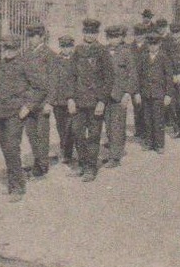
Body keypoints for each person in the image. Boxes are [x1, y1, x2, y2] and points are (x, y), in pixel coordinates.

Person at [0, 31, 37, 198]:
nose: (7, 51)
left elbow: (39, 87)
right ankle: (14, 180)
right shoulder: (1, 64)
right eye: (4, 48)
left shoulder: (26, 64)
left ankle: (17, 187)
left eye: (11, 48)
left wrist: (28, 105)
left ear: (17, 48)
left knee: (11, 148)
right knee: (6, 149)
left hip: (16, 113)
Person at [70, 19, 113, 182]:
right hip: (79, 101)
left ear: (97, 34)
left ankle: (90, 168)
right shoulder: (78, 50)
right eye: (87, 32)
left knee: (94, 136)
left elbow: (109, 78)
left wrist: (102, 101)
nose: (90, 35)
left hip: (95, 102)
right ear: (84, 33)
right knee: (77, 133)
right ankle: (82, 164)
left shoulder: (102, 51)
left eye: (93, 33)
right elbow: (71, 76)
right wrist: (70, 99)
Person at [102, 25, 137, 168]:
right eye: (110, 37)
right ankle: (113, 150)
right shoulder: (103, 51)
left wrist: (128, 93)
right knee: (108, 125)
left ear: (121, 38)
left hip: (119, 94)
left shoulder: (126, 52)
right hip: (104, 94)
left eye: (116, 37)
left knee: (117, 125)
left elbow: (132, 74)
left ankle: (115, 157)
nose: (113, 40)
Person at [23, 23, 54, 177]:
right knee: (31, 133)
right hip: (29, 100)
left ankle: (42, 165)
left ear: (42, 37)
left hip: (43, 102)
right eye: (29, 36)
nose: (31, 39)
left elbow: (54, 80)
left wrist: (50, 102)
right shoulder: (26, 53)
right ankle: (37, 159)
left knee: (42, 134)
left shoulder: (49, 54)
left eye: (34, 36)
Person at [135, 30, 172, 153]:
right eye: (150, 44)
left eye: (155, 44)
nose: (152, 46)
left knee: (158, 119)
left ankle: (159, 144)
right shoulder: (143, 57)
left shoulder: (164, 57)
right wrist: (138, 93)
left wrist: (168, 94)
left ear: (159, 44)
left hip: (159, 93)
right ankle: (149, 142)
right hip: (146, 93)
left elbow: (168, 77)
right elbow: (138, 76)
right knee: (147, 119)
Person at [49, 35, 78, 167]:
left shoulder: (77, 60)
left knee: (72, 127)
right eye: (64, 47)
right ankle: (65, 152)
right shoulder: (55, 60)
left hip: (73, 100)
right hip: (59, 100)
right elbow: (53, 81)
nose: (66, 49)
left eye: (69, 46)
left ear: (72, 46)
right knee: (61, 127)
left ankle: (69, 152)